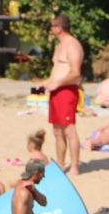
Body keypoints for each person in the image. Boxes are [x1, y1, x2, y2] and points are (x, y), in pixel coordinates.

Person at [35, 13, 84, 175]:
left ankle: (75, 166)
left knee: (69, 130)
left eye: (52, 25)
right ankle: (61, 164)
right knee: (57, 130)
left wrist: (58, 83)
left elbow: (75, 73)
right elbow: (58, 70)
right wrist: (47, 82)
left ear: (59, 27)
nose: (51, 29)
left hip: (67, 90)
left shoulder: (72, 45)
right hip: (56, 91)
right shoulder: (59, 46)